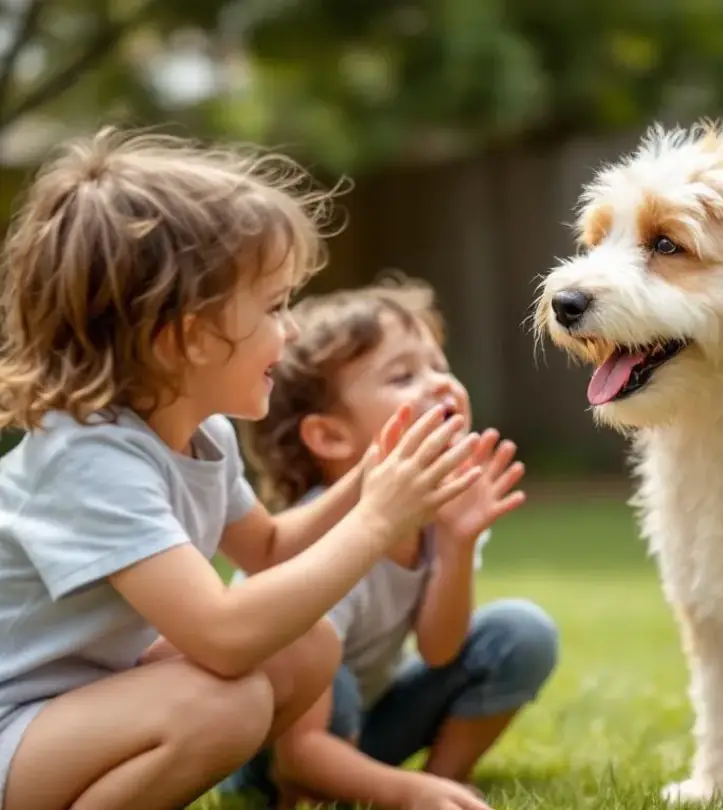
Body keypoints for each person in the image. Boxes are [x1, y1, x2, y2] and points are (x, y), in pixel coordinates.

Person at [0, 128, 485, 810]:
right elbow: (223, 638)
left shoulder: (203, 436)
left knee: (305, 650)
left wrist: (374, 474)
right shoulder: (88, 457)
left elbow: (267, 548)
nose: (289, 333)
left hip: (86, 709)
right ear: (187, 337)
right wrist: (379, 520)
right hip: (16, 729)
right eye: (276, 306)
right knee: (219, 705)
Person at [219, 278, 560, 809]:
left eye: (439, 367)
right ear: (329, 437)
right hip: (277, 748)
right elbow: (302, 744)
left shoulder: (439, 509)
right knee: (337, 683)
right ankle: (349, 793)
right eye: (402, 376)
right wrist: (401, 794)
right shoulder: (318, 542)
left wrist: (456, 543)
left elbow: (438, 650)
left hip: (367, 725)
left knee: (521, 631)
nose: (439, 385)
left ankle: (447, 784)